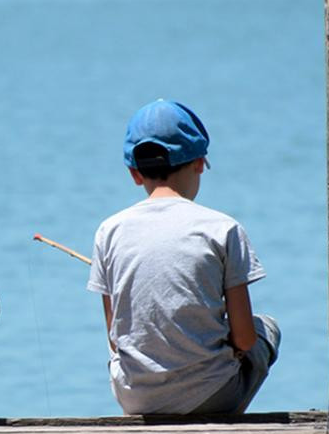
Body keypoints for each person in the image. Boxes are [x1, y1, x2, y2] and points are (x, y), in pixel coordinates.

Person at [87, 99, 280, 415]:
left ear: (135, 173)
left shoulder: (108, 231)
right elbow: (244, 340)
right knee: (266, 328)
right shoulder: (223, 229)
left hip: (137, 400)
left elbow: (115, 340)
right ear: (200, 163)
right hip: (213, 396)